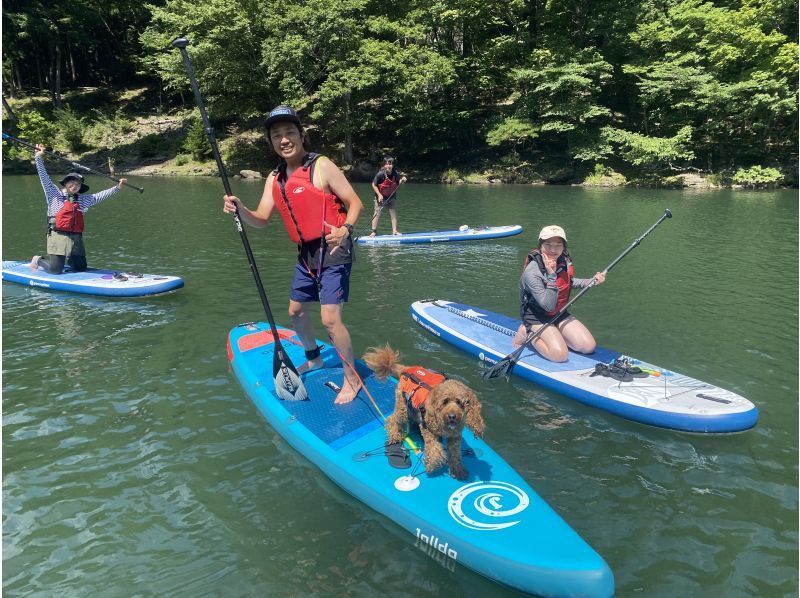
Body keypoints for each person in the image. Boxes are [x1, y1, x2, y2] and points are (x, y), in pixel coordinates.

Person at [223, 106, 364, 404]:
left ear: (301, 135)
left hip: (334, 247)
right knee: (296, 311)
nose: (284, 139)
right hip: (306, 254)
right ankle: (314, 358)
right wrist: (240, 209)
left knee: (329, 319)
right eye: (277, 136)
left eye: (289, 132)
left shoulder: (321, 166)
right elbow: (260, 219)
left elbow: (355, 203)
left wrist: (345, 230)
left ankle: (352, 378)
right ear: (271, 142)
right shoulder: (274, 179)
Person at [512, 225, 606, 362]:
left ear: (564, 247)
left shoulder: (563, 260)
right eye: (548, 244)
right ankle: (528, 333)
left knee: (588, 347)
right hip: (536, 316)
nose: (553, 250)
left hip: (558, 313)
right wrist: (551, 275)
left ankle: (554, 331)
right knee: (559, 356)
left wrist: (592, 281)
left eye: (558, 245)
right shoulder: (532, 271)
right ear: (540, 245)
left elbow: (567, 283)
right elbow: (548, 305)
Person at [29, 143, 127, 274]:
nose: (75, 186)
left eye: (78, 185)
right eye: (72, 183)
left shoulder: (82, 200)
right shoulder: (54, 194)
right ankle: (38, 260)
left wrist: (117, 188)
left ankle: (70, 258)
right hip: (58, 234)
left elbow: (99, 196)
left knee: (81, 268)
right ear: (65, 183)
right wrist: (38, 157)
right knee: (55, 270)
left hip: (76, 236)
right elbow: (44, 178)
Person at [369, 156, 407, 236]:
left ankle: (394, 231)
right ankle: (373, 232)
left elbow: (398, 182)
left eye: (390, 164)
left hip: (391, 196)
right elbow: (373, 184)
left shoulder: (395, 173)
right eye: (386, 164)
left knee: (393, 212)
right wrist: (379, 195)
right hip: (381, 197)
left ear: (392, 165)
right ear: (384, 165)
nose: (388, 166)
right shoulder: (380, 174)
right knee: (377, 213)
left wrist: (402, 180)